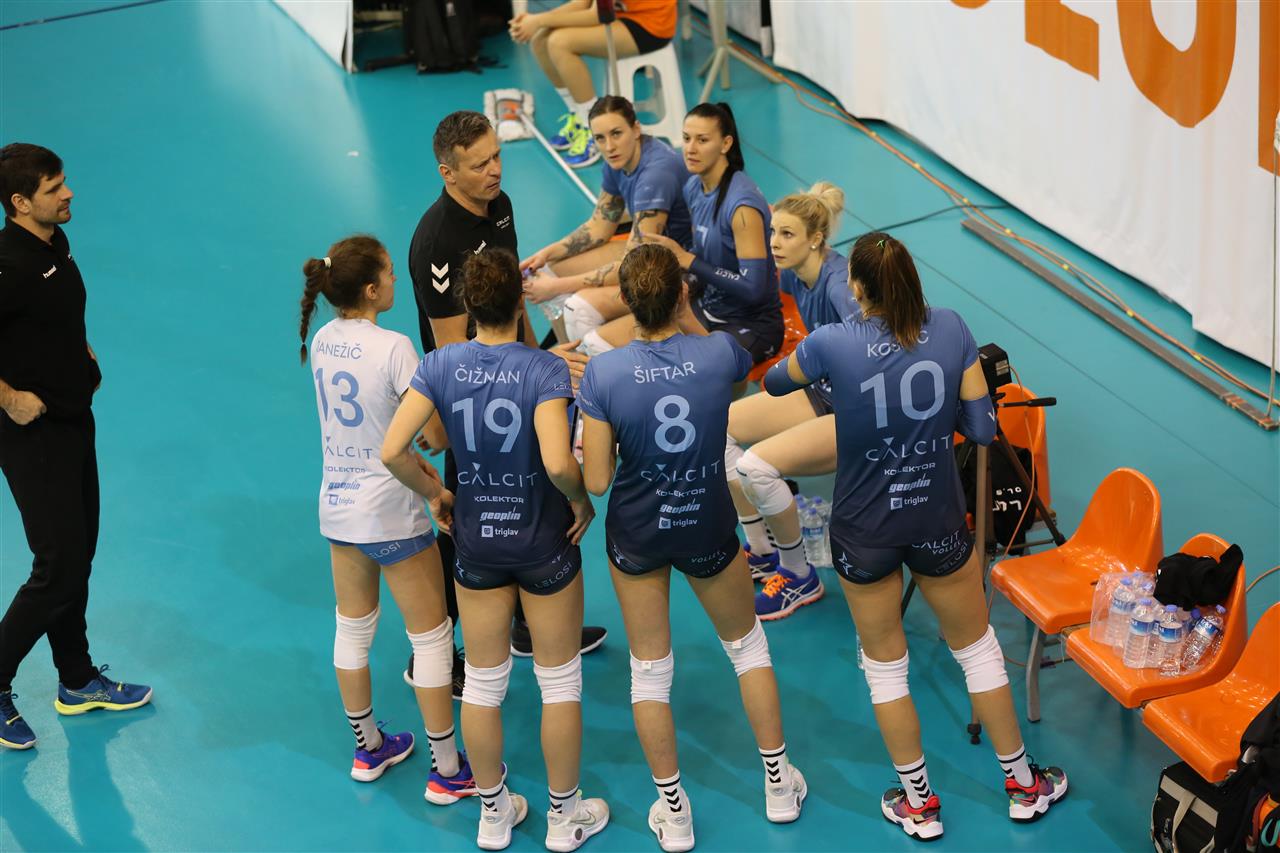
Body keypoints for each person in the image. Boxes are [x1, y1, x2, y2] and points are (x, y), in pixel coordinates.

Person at [761, 232, 1067, 841]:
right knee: (977, 649)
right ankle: (1023, 785)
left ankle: (919, 804)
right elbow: (983, 429)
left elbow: (773, 383)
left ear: (856, 287)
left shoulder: (830, 342)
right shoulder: (951, 328)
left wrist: (831, 383)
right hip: (936, 519)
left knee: (885, 667)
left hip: (864, 530)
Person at [578, 244, 805, 852]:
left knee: (651, 672)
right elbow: (734, 369)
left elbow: (596, 480)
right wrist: (685, 315)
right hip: (706, 524)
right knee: (747, 648)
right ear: (682, 294)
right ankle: (779, 787)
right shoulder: (719, 353)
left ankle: (674, 814)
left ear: (625, 302)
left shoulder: (604, 373)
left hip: (638, 532)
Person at [383, 249, 609, 852]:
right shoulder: (545, 369)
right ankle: (565, 817)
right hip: (544, 544)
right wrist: (581, 502)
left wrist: (436, 494)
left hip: (476, 546)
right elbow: (558, 462)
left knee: (483, 685)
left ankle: (492, 814)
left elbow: (393, 450)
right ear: (517, 303)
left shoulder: (439, 364)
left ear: (467, 306)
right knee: (559, 683)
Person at [408, 111, 605, 680]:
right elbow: (451, 347)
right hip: (469, 400)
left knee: (529, 494)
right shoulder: (437, 243)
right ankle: (436, 654)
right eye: (480, 164)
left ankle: (526, 625)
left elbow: (513, 303)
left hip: (514, 381)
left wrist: (540, 359)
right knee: (464, 519)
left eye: (497, 156)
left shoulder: (501, 206)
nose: (495, 170)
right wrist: (450, 420)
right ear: (448, 173)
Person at [298, 234, 476, 801]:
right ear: (372, 290)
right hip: (393, 514)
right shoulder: (396, 347)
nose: (397, 279)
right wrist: (436, 490)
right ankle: (448, 769)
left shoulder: (322, 339)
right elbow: (418, 436)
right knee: (432, 638)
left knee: (352, 631)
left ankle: (368, 746)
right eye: (390, 273)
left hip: (339, 508)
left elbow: (369, 431)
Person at [0, 144, 151, 751]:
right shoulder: (6, 265)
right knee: (57, 566)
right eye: (54, 187)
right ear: (20, 202)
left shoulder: (53, 243)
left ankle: (77, 678)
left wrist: (79, 353)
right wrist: (10, 397)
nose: (68, 194)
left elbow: (55, 311)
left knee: (77, 555)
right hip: (31, 434)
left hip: (72, 420)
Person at [724, 182, 860, 621]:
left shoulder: (840, 287)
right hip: (825, 390)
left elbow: (877, 353)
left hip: (857, 410)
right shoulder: (797, 274)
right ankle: (763, 550)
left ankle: (799, 574)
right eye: (773, 232)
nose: (774, 243)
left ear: (816, 239)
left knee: (755, 467)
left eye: (786, 234)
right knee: (716, 429)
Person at [584, 103, 783, 369]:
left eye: (702, 140)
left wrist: (688, 261)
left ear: (725, 144)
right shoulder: (693, 187)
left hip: (751, 324)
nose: (690, 149)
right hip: (702, 307)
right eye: (687, 138)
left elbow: (754, 289)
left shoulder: (741, 208)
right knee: (595, 342)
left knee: (667, 368)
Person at [521, 96, 692, 350]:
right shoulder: (618, 160)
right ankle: (567, 358)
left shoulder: (655, 175)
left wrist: (556, 287)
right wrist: (546, 253)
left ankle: (591, 365)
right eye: (600, 138)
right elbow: (599, 227)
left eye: (616, 134)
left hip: (677, 272)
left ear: (636, 129)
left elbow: (633, 268)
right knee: (546, 270)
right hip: (647, 255)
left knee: (577, 308)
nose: (609, 146)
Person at [510, 0, 678, 168]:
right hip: (620, 13)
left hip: (651, 24)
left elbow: (596, 15)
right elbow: (583, 3)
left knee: (559, 42)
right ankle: (579, 116)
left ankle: (594, 129)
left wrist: (538, 21)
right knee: (540, 40)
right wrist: (537, 21)